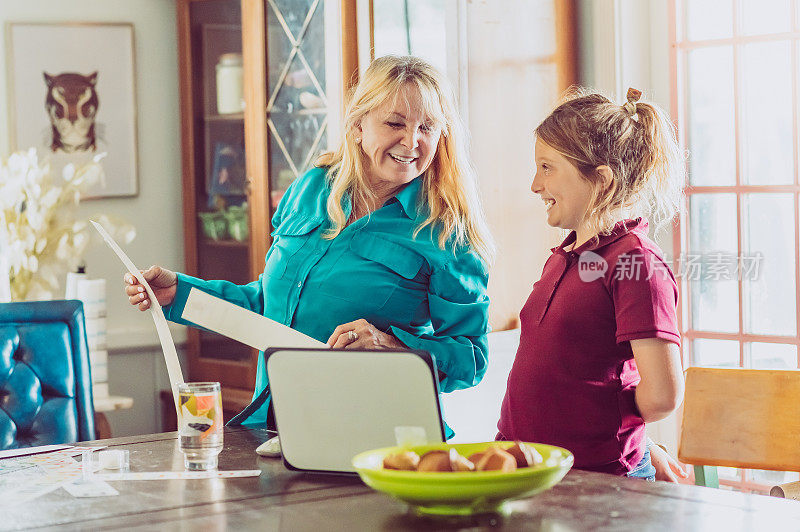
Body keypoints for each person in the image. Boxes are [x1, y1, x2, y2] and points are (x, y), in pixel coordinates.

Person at [124, 55, 495, 435]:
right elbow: (270, 306)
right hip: (276, 424)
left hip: (379, 438)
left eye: (427, 128)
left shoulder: (447, 230)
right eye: (395, 123)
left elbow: (472, 358)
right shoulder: (311, 188)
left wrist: (389, 345)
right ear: (358, 126)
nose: (412, 141)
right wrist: (179, 292)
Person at [496, 87, 685, 480]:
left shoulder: (635, 261)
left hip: (598, 478)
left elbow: (663, 396)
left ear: (600, 180)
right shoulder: (568, 256)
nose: (534, 184)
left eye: (547, 167)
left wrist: (625, 436)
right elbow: (579, 371)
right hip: (530, 471)